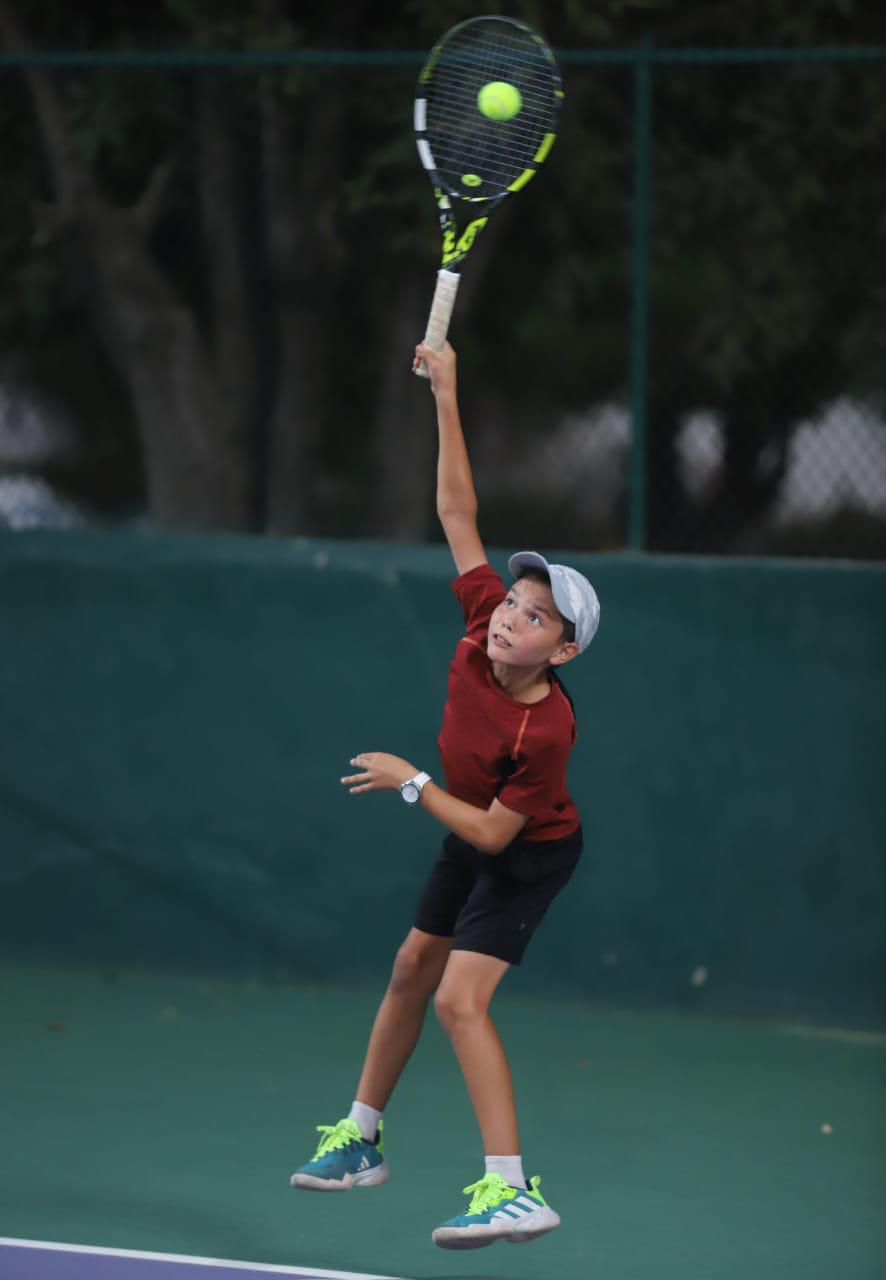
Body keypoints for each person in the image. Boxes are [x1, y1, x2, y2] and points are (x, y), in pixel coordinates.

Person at [290, 340, 600, 1251]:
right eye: (514, 598)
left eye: (536, 617)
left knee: (463, 999)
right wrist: (447, 395)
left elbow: (495, 841)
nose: (511, 614)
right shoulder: (479, 627)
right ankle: (362, 1138)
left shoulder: (543, 731)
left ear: (563, 652)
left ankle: (513, 1190)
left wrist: (410, 780)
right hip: (467, 827)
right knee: (408, 971)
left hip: (529, 851)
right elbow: (456, 508)